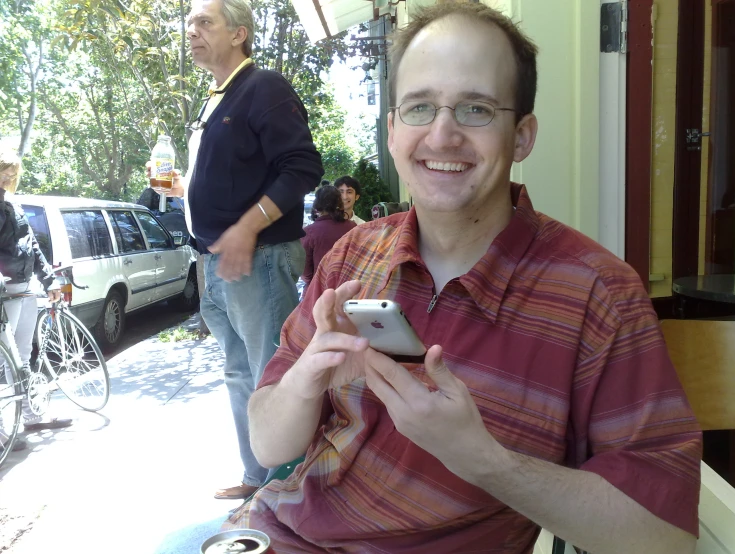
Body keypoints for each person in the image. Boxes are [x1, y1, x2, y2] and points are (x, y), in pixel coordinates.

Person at [224, 3, 701, 553]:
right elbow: (265, 442)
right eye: (421, 107)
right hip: (277, 533)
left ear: (521, 136)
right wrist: (308, 377)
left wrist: (483, 459)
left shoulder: (600, 294)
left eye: (476, 109)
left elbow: (664, 537)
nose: (443, 135)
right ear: (394, 130)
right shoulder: (353, 256)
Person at [147, 0, 323, 500]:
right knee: (238, 372)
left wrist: (247, 228)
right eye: (189, 23)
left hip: (260, 259)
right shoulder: (215, 100)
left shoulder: (262, 87)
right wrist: (187, 190)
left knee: (273, 374)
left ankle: (288, 486)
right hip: (215, 262)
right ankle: (257, 477)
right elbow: (231, 179)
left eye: (205, 22)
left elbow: (303, 167)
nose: (192, 31)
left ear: (239, 33)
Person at [0, 147, 71, 453]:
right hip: (4, 293)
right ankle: (6, 431)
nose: (9, 175)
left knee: (23, 355)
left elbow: (32, 246)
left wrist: (50, 280)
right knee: (6, 360)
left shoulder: (11, 202)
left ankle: (31, 414)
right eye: (4, 169)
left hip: (25, 288)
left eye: (13, 171)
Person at [300, 186, 356, 290]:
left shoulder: (309, 232)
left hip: (318, 292)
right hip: (349, 290)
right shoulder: (353, 227)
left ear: (317, 204)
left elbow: (305, 272)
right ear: (339, 204)